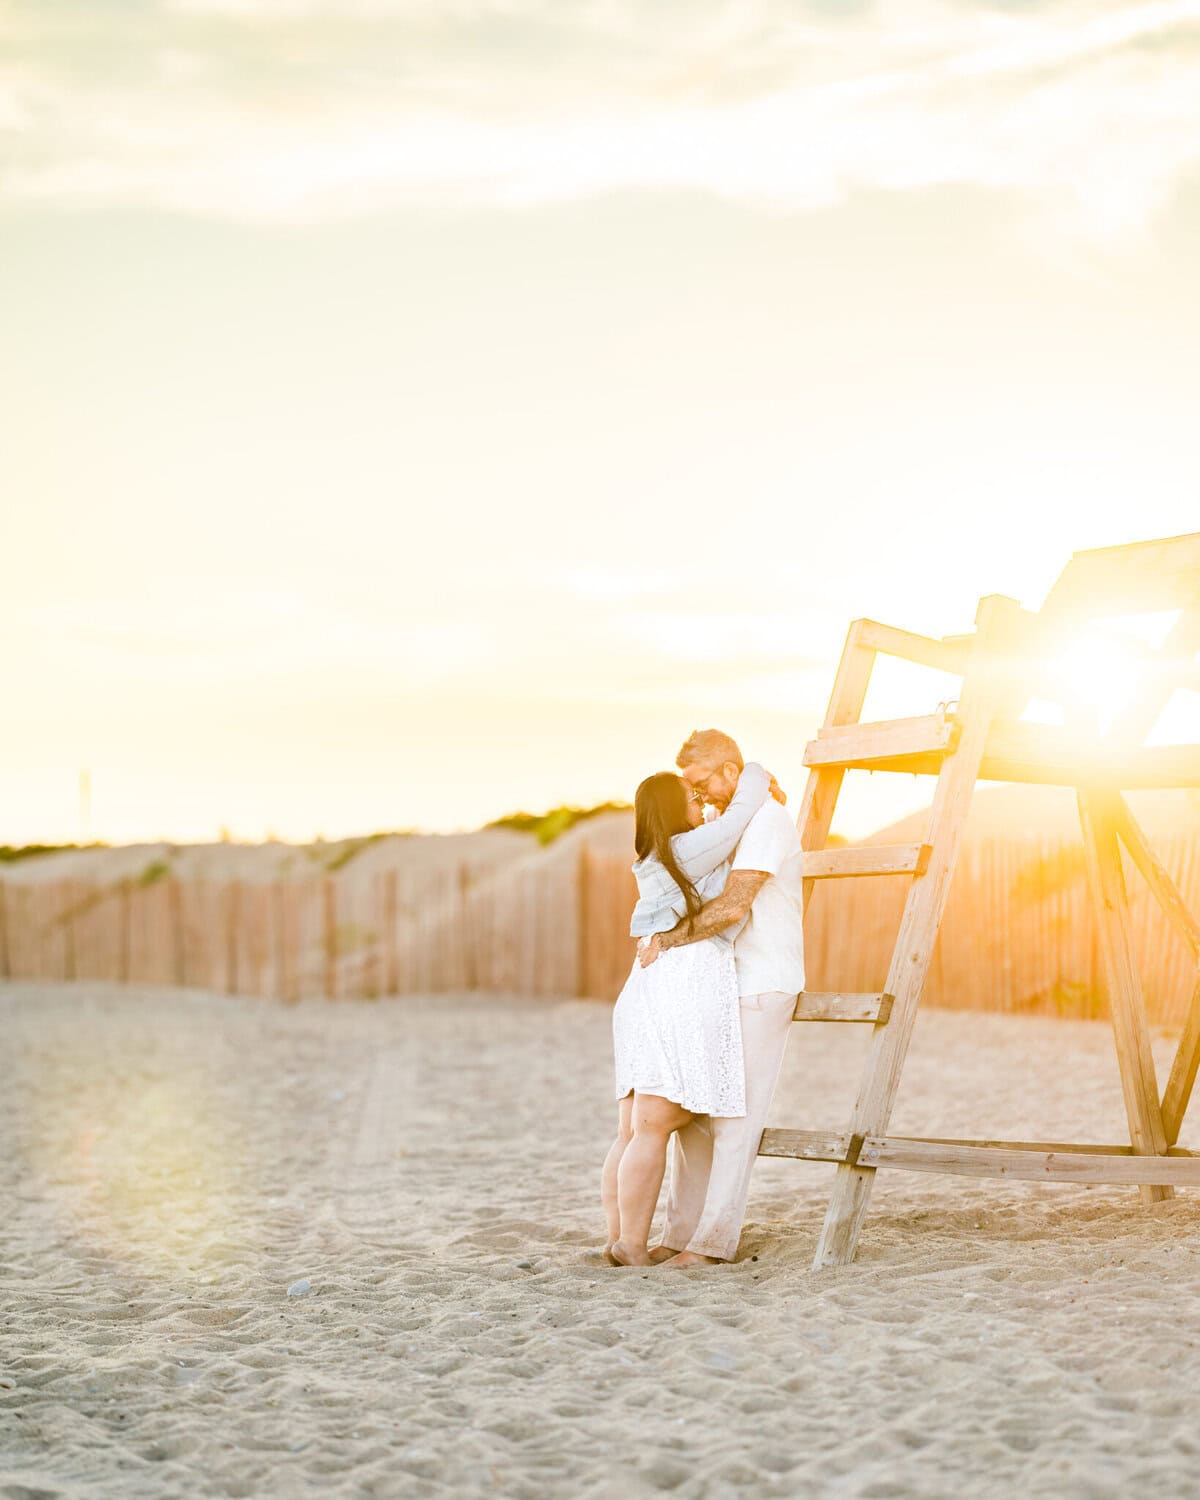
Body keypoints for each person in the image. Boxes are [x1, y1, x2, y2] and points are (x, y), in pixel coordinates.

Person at [639, 728, 805, 1269]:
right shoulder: (729, 824)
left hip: (761, 981)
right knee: (695, 1118)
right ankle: (678, 1235)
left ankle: (712, 1244)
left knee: (736, 1119)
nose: (702, 795)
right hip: (717, 984)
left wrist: (667, 938)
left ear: (731, 772)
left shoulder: (769, 821)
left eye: (703, 782)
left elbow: (735, 905)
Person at [601, 759, 775, 1268]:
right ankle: (631, 1246)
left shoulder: (661, 855)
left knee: (633, 1128)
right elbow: (738, 818)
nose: (701, 804)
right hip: (678, 981)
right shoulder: (682, 848)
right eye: (693, 798)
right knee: (654, 1123)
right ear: (675, 811)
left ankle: (618, 1239)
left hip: (648, 981)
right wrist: (755, 774)